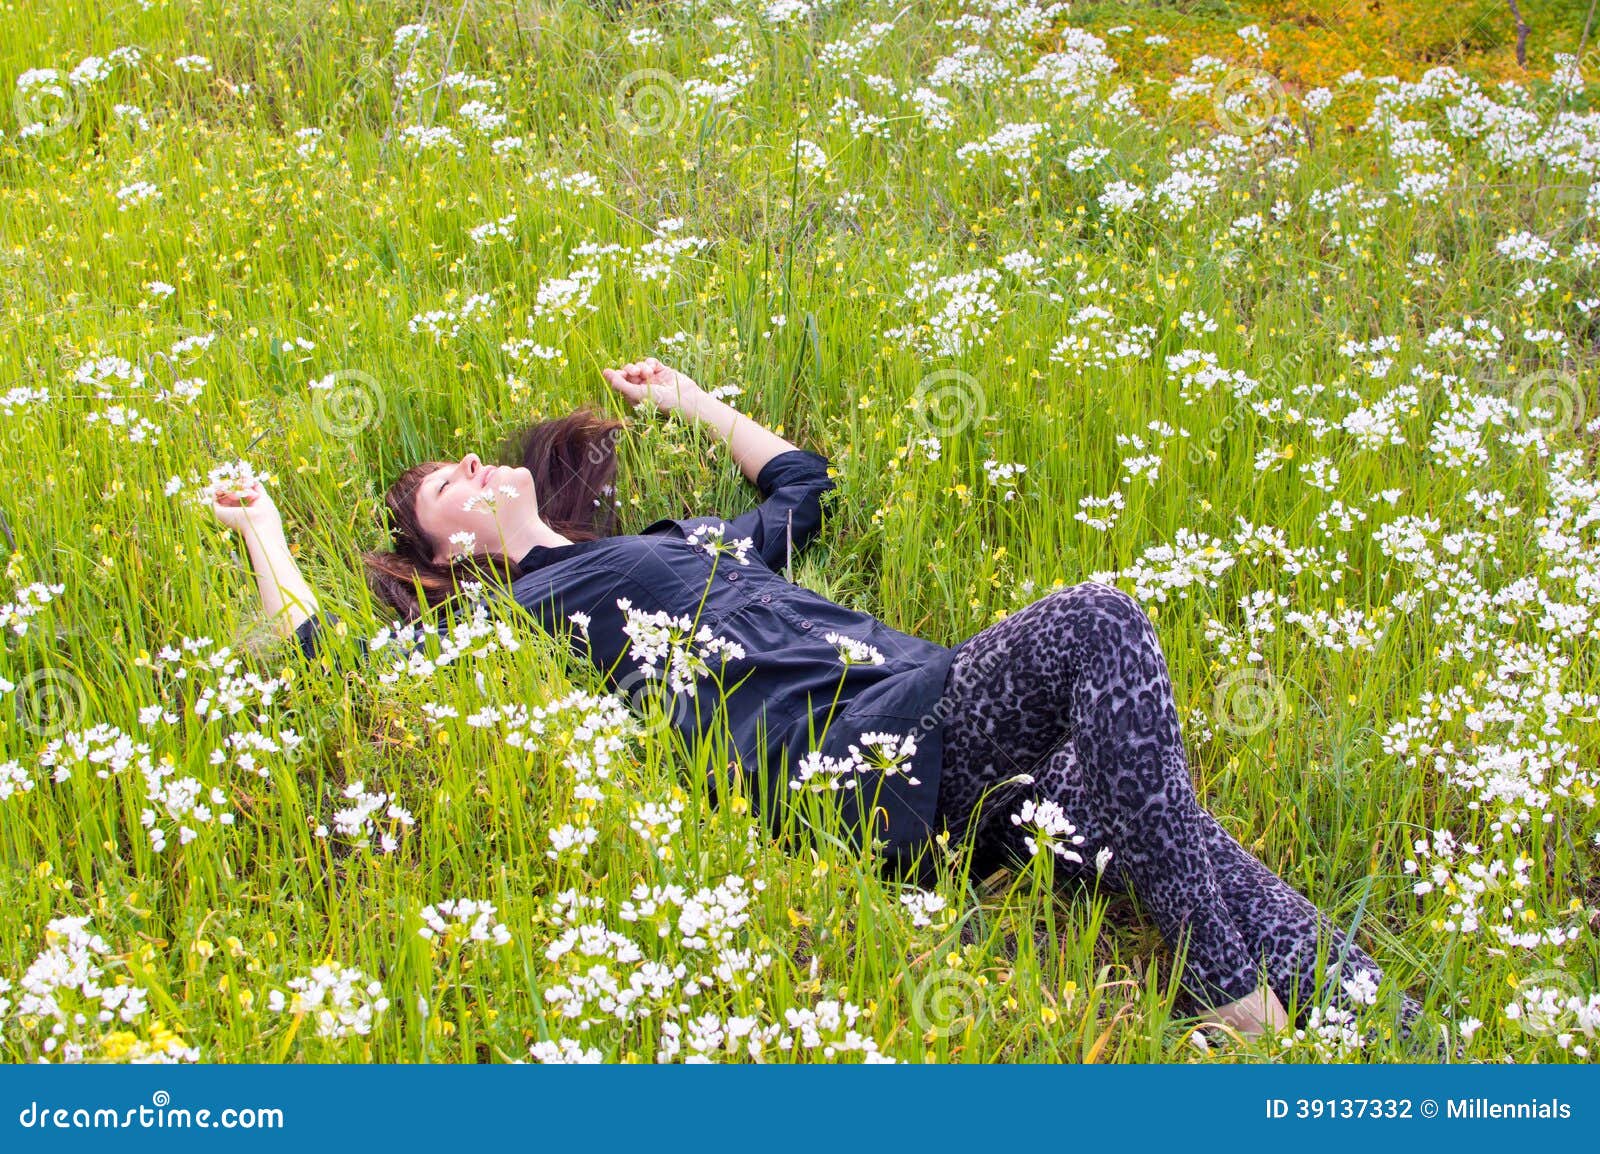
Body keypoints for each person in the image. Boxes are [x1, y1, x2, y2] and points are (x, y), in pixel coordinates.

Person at [212, 357, 1422, 1041]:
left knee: (1164, 826)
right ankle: (1232, 994)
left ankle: (1414, 1037)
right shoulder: (517, 622)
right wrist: (266, 535)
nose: (471, 471)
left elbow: (802, 486)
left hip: (939, 747)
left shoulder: (677, 539)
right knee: (1099, 617)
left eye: (468, 458)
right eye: (444, 492)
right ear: (454, 552)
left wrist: (686, 400)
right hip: (859, 758)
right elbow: (325, 657)